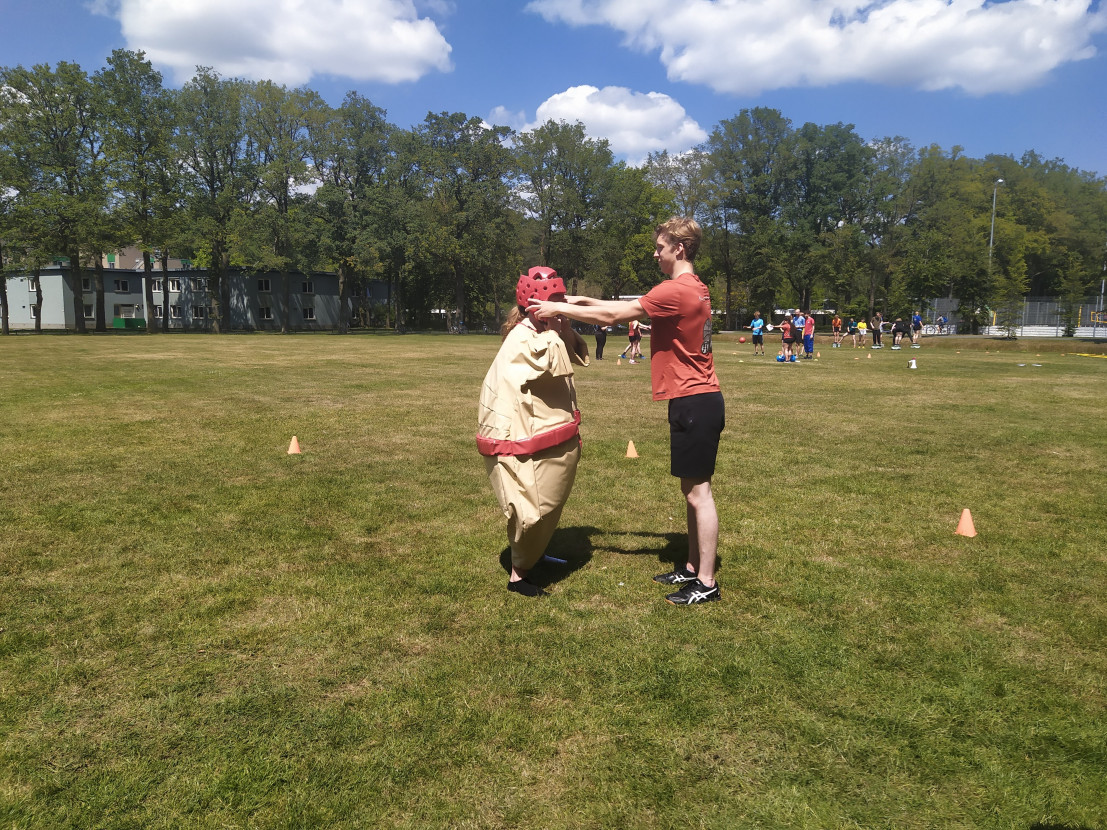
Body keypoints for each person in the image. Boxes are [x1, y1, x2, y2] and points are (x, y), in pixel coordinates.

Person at [529, 217, 724, 605]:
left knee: (699, 493)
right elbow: (622, 307)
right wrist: (578, 302)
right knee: (690, 491)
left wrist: (556, 306)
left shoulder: (676, 290)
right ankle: (690, 567)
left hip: (694, 400)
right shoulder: (694, 286)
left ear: (679, 250)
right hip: (695, 400)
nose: (655, 253)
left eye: (660, 247)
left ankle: (706, 583)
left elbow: (615, 317)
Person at [477, 266, 583, 598]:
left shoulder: (544, 331)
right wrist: (555, 328)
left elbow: (575, 353)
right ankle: (518, 574)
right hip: (520, 434)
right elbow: (554, 363)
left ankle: (534, 555)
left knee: (550, 500)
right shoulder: (524, 337)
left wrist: (561, 323)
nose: (558, 309)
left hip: (550, 430)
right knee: (531, 504)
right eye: (554, 303)